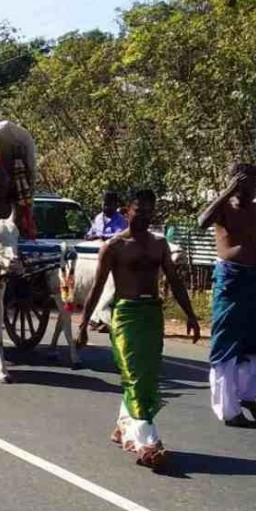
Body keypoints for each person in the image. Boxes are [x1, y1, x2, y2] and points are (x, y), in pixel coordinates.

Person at [77, 190, 200, 469]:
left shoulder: (159, 244)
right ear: (127, 211)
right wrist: (84, 325)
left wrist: (190, 315)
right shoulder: (114, 246)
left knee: (146, 375)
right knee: (135, 377)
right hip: (126, 316)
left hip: (152, 315)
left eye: (149, 210)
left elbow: (174, 280)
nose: (143, 215)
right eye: (138, 210)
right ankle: (149, 443)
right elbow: (97, 288)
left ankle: (124, 426)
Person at [196, 163, 256, 427]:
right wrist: (228, 190)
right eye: (249, 182)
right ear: (236, 182)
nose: (254, 188)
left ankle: (246, 394)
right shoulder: (223, 208)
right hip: (231, 278)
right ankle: (229, 410)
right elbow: (201, 222)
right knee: (226, 344)